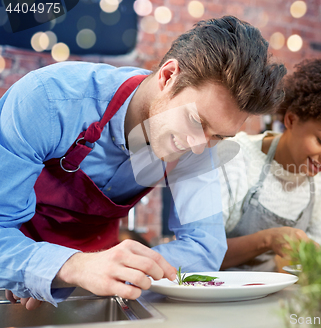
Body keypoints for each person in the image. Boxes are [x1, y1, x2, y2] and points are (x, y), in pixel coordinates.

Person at [0, 16, 286, 309]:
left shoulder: (201, 141)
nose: (200, 148)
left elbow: (205, 248)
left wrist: (126, 268)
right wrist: (63, 268)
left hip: (101, 290)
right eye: (195, 121)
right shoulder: (47, 100)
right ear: (168, 76)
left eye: (220, 137)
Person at [218, 51, 321, 271]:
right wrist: (267, 240)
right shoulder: (236, 158)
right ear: (291, 119)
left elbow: (314, 260)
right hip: (220, 296)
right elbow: (200, 253)